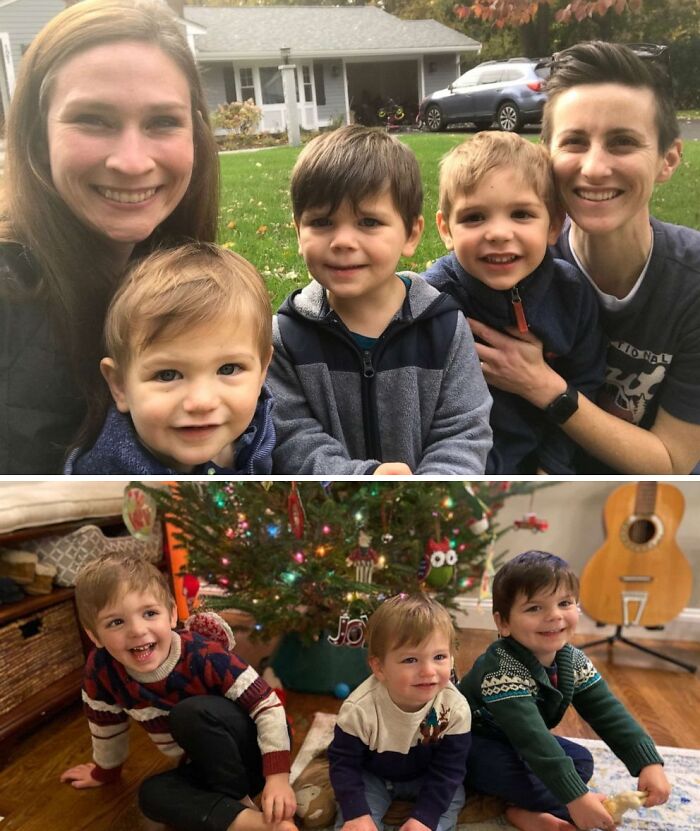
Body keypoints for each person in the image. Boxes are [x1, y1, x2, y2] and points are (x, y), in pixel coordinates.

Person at [0, 0, 220, 474]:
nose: (132, 162)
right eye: (93, 120)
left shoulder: (190, 281)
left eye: (162, 122)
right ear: (39, 137)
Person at [468, 41, 700, 474]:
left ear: (667, 159)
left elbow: (670, 462)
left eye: (623, 142)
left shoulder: (693, 285)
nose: (594, 168)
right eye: (574, 141)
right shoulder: (505, 258)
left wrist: (544, 385)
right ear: (545, 155)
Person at [267, 124, 493, 475]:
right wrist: (359, 479)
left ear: (411, 234)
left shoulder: (444, 326)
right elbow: (290, 435)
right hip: (329, 512)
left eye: (368, 222)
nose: (342, 241)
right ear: (298, 232)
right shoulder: (287, 337)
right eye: (322, 222)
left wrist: (426, 490)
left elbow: (464, 430)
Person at [60, 554, 306, 831]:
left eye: (149, 613)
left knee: (190, 714)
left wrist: (278, 778)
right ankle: (251, 823)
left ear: (172, 613)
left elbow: (268, 707)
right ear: (94, 636)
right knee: (151, 796)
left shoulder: (203, 654)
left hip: (257, 752)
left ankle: (233, 806)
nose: (137, 630)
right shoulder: (101, 670)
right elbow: (105, 724)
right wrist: (105, 772)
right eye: (116, 622)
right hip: (207, 767)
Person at [459, 551, 671, 831]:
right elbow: (533, 740)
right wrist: (575, 798)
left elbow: (608, 712)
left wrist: (647, 762)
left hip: (510, 742)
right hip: (468, 742)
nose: (555, 615)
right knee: (516, 772)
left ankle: (525, 807)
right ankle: (515, 808)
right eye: (535, 608)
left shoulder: (571, 659)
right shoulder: (501, 667)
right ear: (503, 622)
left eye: (564, 603)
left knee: (581, 761)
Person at [424, 132, 606, 474]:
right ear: (446, 229)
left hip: (544, 464)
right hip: (457, 469)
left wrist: (552, 466)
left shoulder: (571, 295)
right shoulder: (433, 301)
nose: (498, 233)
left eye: (521, 214)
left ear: (554, 224)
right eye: (474, 217)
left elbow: (587, 383)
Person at [63, 243, 274, 475]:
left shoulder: (260, 424)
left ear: (262, 370)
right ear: (120, 385)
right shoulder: (106, 477)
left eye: (228, 369)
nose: (201, 402)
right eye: (167, 375)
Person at [328, 594, 471, 831]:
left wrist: (424, 818)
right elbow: (344, 765)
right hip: (375, 775)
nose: (429, 671)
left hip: (426, 776)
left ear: (452, 658)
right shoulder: (360, 708)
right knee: (353, 813)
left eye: (439, 657)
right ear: (379, 668)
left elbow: (449, 770)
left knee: (452, 797)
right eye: (410, 660)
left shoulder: (455, 708)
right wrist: (357, 813)